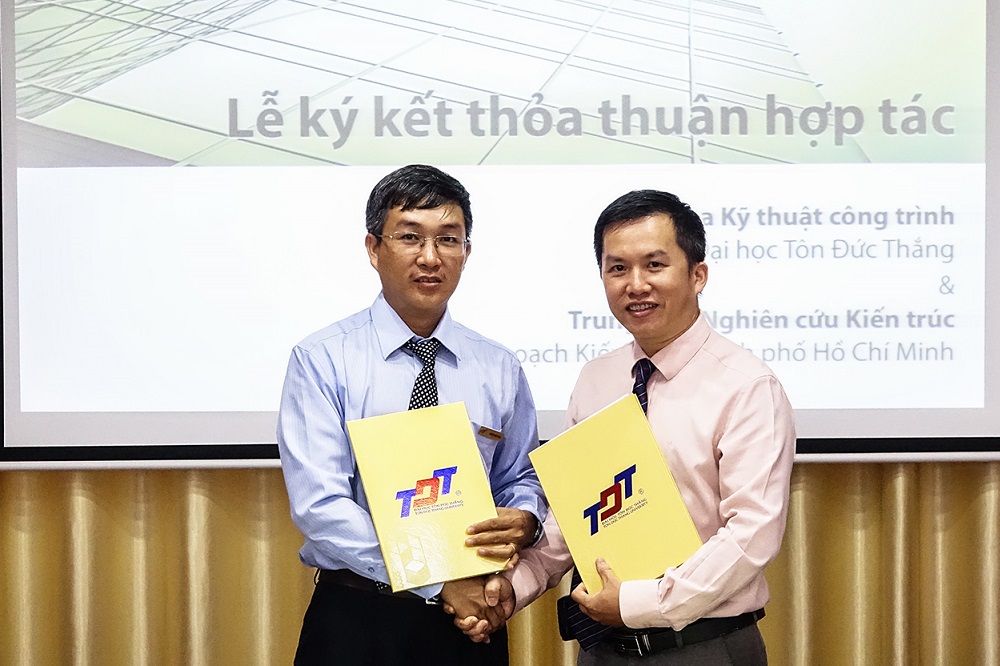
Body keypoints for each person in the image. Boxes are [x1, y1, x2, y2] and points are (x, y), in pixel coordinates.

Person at [453, 189, 796, 664]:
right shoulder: (597, 379)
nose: (636, 284)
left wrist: (640, 604)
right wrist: (514, 586)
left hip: (701, 646)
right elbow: (573, 517)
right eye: (617, 269)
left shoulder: (747, 386)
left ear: (698, 275)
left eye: (654, 265)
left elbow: (751, 535)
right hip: (603, 650)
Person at [277, 164, 546, 665]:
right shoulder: (321, 359)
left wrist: (526, 519)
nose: (430, 257)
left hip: (468, 624)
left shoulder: (499, 366)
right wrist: (437, 580)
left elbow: (520, 478)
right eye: (409, 237)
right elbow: (320, 507)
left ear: (467, 252)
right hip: (359, 615)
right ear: (373, 248)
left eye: (449, 239)